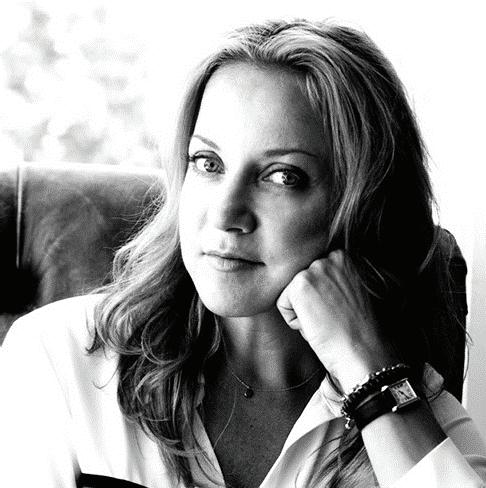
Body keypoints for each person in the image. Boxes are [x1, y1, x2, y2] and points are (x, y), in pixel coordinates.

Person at [1, 18, 485, 488]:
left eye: (282, 176)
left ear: (362, 206)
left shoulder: (416, 413)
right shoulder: (60, 357)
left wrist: (369, 378)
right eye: (207, 163)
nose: (226, 213)